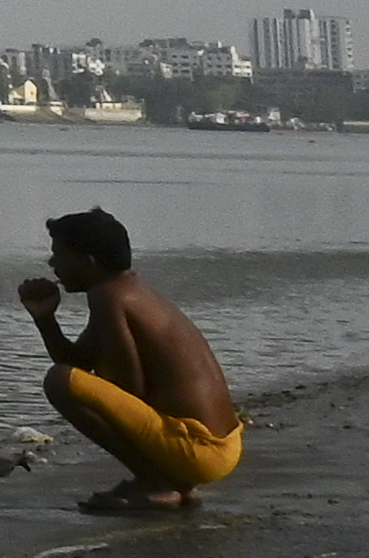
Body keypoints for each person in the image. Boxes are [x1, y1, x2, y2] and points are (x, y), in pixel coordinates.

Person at [22, 208, 242, 511]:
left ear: (88, 262)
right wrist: (45, 319)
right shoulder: (127, 292)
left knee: (58, 380)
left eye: (58, 254)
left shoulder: (108, 297)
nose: (52, 264)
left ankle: (155, 484)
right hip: (220, 448)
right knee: (66, 377)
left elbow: (128, 388)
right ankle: (173, 482)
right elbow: (80, 363)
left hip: (196, 450)